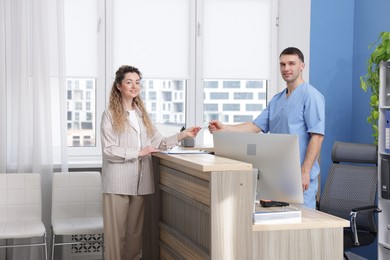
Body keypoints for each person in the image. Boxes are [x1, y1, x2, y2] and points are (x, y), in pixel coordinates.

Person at [100, 65, 201, 260]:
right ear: (119, 86)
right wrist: (138, 152)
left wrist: (183, 135)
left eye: (137, 82)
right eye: (129, 82)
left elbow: (159, 142)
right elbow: (108, 150)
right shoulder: (110, 114)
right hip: (117, 183)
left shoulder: (141, 115)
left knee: (134, 237)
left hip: (139, 184)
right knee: (116, 238)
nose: (134, 86)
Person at [209, 47, 325, 209]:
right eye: (282, 64)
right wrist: (224, 128)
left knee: (301, 227)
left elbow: (317, 136)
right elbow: (255, 126)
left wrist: (304, 172)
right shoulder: (277, 100)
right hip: (276, 178)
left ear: (302, 66)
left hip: (299, 178)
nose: (286, 68)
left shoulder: (311, 96)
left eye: (291, 64)